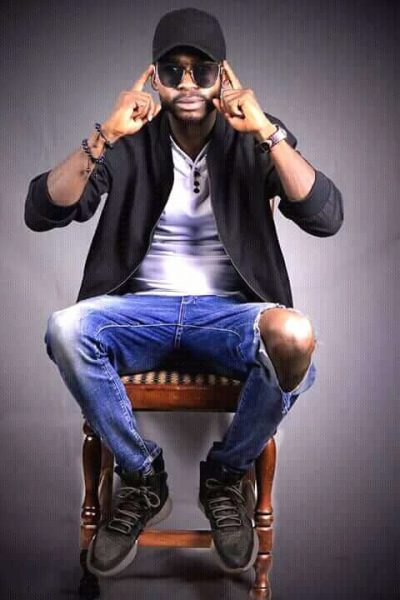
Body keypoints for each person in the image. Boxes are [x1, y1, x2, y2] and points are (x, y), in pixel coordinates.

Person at [24, 7, 343, 579]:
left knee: (296, 339)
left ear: (224, 75)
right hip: (137, 315)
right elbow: (42, 211)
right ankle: (143, 476)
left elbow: (325, 216)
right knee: (64, 328)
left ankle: (225, 475)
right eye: (174, 71)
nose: (188, 83)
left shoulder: (254, 135)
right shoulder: (128, 139)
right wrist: (106, 134)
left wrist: (266, 133)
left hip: (228, 318)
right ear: (156, 77)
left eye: (203, 70)